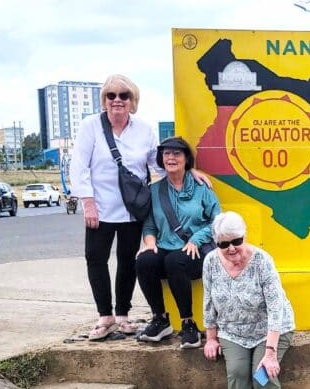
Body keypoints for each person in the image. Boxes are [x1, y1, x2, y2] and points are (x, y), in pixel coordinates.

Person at [69, 74, 211, 340]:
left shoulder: (144, 129)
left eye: (124, 95)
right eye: (111, 96)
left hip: (133, 208)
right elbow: (78, 166)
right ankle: (105, 315)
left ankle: (122, 314)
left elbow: (158, 164)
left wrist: (189, 171)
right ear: (104, 100)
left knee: (128, 261)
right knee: (96, 259)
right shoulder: (90, 126)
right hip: (99, 207)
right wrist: (87, 202)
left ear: (133, 101)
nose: (117, 100)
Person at [202, 211, 296, 389]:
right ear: (217, 243)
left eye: (237, 241)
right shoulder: (211, 262)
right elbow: (208, 301)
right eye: (225, 244)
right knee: (236, 374)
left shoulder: (262, 260)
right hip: (233, 332)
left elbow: (276, 308)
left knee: (262, 376)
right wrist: (211, 338)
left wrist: (271, 352)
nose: (232, 248)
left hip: (270, 330)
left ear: (244, 237)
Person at [135, 137, 220, 348]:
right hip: (165, 246)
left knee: (175, 260)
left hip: (197, 250)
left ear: (186, 159)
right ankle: (160, 319)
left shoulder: (202, 187)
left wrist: (195, 239)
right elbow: (149, 225)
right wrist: (150, 242)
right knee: (144, 261)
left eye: (177, 153)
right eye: (166, 154)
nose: (171, 158)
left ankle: (188, 323)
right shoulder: (155, 190)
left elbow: (218, 222)